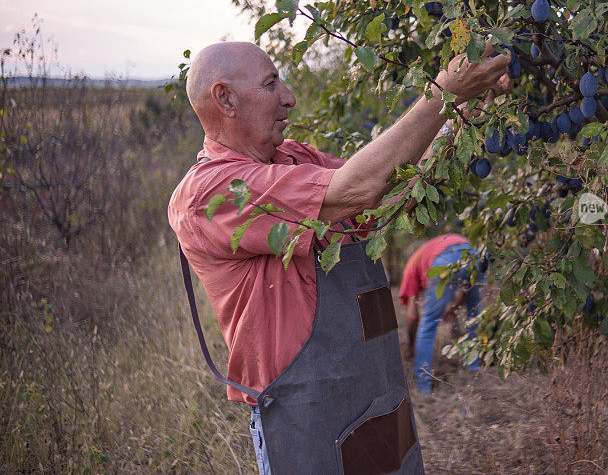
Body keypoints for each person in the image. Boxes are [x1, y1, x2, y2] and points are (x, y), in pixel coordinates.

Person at [167, 41, 511, 474]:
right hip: (309, 424)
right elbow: (358, 188)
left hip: (380, 402)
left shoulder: (295, 159)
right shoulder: (213, 193)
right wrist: (442, 94)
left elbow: (392, 188)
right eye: (272, 84)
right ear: (226, 99)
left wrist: (463, 114)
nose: (288, 97)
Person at [399, 235, 485, 394]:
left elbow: (412, 315)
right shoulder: (429, 249)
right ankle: (474, 372)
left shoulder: (411, 265)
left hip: (444, 260)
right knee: (474, 316)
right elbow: (466, 293)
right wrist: (451, 307)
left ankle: (423, 385)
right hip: (473, 254)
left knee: (428, 325)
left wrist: (410, 344)